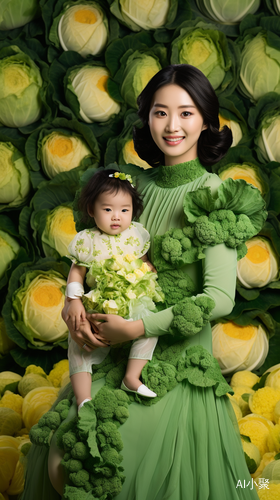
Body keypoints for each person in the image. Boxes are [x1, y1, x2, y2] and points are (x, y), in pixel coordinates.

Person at [22, 65, 263, 500]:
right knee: (60, 454)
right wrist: (72, 302)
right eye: (160, 113)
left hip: (176, 358)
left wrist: (138, 328)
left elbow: (221, 299)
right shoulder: (132, 187)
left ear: (207, 121)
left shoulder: (215, 195)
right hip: (113, 348)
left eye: (186, 113)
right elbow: (93, 254)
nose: (173, 126)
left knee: (102, 467)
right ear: (147, 120)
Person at [65, 168, 162, 408]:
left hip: (131, 301)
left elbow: (144, 261)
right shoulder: (87, 240)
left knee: (150, 326)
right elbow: (77, 272)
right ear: (92, 210)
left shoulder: (136, 235)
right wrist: (74, 301)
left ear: (132, 211)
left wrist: (148, 269)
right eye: (107, 209)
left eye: (124, 210)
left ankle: (131, 376)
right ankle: (83, 397)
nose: (116, 217)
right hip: (98, 303)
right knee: (79, 342)